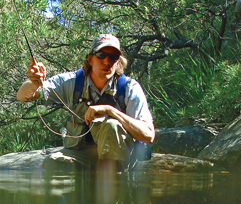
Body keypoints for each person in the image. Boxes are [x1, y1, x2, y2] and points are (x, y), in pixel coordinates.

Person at [17, 34, 155, 172]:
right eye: (101, 54)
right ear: (90, 59)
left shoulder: (129, 88)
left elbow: (148, 136)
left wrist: (110, 111)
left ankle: (112, 187)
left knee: (111, 124)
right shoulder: (72, 82)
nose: (107, 62)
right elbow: (22, 96)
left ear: (118, 62)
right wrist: (34, 82)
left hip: (119, 162)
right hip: (82, 155)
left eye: (113, 57)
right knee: (52, 163)